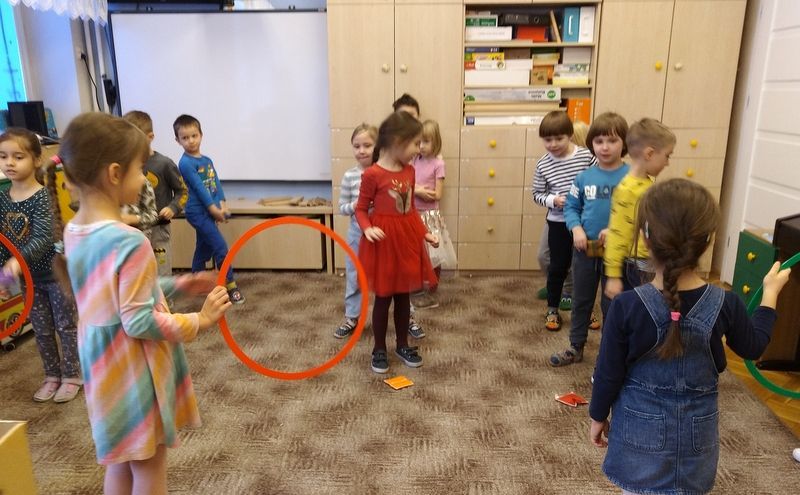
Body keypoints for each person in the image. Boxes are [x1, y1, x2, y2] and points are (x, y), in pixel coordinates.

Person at [47, 112, 232, 494]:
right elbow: (138, 321)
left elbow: (116, 294)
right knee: (149, 464)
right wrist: (199, 320)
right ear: (115, 174)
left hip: (102, 366)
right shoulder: (130, 241)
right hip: (132, 370)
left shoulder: (75, 229)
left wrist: (179, 283)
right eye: (139, 170)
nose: (144, 178)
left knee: (122, 461)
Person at [589, 178, 790, 494]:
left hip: (639, 436)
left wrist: (597, 417)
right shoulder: (726, 302)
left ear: (645, 236)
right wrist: (770, 294)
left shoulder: (626, 306)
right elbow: (754, 347)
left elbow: (608, 373)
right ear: (707, 241)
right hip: (696, 444)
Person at [0, 128, 82, 403]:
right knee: (42, 329)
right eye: (3, 156)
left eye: (18, 156)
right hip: (29, 280)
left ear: (36, 160)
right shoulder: (2, 199)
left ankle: (72, 375)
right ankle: (52, 375)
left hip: (55, 275)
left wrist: (17, 262)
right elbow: (3, 242)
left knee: (66, 326)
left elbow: (43, 238)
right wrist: (4, 277)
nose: (9, 163)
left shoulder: (42, 196)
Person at [355, 111, 438, 374]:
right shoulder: (373, 174)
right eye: (415, 143)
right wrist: (367, 228)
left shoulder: (410, 172)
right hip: (383, 245)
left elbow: (410, 209)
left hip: (405, 242)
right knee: (383, 298)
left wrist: (424, 233)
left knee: (403, 297)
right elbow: (360, 209)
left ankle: (402, 344)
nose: (419, 148)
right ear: (397, 142)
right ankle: (379, 348)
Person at [551, 112, 629, 366]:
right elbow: (572, 207)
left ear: (624, 143)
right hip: (585, 250)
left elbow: (641, 213)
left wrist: (616, 231)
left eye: (612, 141)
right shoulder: (584, 177)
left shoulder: (632, 178)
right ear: (591, 144)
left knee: (613, 304)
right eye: (599, 141)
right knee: (581, 300)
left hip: (618, 253)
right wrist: (576, 229)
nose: (605, 147)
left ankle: (611, 354)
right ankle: (576, 346)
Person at [532, 111, 597, 331]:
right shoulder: (543, 164)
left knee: (584, 267)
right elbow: (537, 194)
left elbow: (599, 179)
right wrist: (553, 200)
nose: (553, 144)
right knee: (557, 266)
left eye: (559, 138)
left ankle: (584, 310)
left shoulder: (586, 157)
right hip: (558, 222)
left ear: (570, 135)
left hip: (585, 221)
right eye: (547, 140)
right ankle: (552, 309)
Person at [174, 114, 244, 304]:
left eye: (194, 135)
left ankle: (196, 279)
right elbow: (199, 188)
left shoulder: (207, 161)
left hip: (210, 210)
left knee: (203, 248)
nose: (191, 141)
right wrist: (213, 209)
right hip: (197, 212)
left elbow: (215, 184)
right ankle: (230, 284)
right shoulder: (185, 163)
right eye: (185, 138)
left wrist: (223, 204)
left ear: (201, 135)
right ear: (178, 141)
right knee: (220, 247)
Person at [603, 118, 675, 300]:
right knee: (641, 308)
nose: (667, 163)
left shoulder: (646, 184)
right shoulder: (628, 190)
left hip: (649, 261)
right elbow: (617, 234)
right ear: (649, 153)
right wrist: (613, 276)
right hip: (637, 267)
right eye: (667, 156)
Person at [123, 110, 188, 276]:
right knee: (139, 273)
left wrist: (173, 208)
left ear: (150, 137)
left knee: (161, 272)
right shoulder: (125, 165)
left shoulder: (164, 164)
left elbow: (182, 191)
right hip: (133, 229)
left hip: (159, 228)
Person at [335, 123, 377, 339]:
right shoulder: (350, 176)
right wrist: (357, 204)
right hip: (357, 234)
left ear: (378, 146)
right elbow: (341, 208)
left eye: (367, 145)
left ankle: (407, 316)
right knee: (354, 275)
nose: (361, 150)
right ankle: (352, 317)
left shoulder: (384, 173)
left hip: (382, 233)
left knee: (393, 275)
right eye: (357, 146)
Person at [391, 93, 429, 336]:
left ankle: (408, 318)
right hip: (389, 224)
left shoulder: (418, 148)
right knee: (386, 282)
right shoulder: (388, 150)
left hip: (410, 219)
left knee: (405, 277)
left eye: (412, 117)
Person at [412, 119, 457, 309]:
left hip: (430, 215)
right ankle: (417, 286)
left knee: (433, 253)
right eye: (418, 142)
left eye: (426, 141)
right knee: (415, 253)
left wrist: (418, 190)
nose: (421, 146)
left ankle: (432, 286)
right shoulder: (415, 160)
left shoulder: (438, 164)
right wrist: (417, 190)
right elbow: (407, 184)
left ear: (435, 141)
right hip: (413, 214)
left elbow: (437, 194)